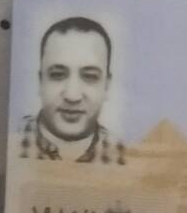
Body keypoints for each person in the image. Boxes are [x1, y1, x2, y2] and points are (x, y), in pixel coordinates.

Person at [20, 16, 125, 164]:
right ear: (40, 81)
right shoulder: (9, 139)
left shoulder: (124, 155)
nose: (72, 96)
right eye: (57, 75)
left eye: (90, 76)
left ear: (106, 86)